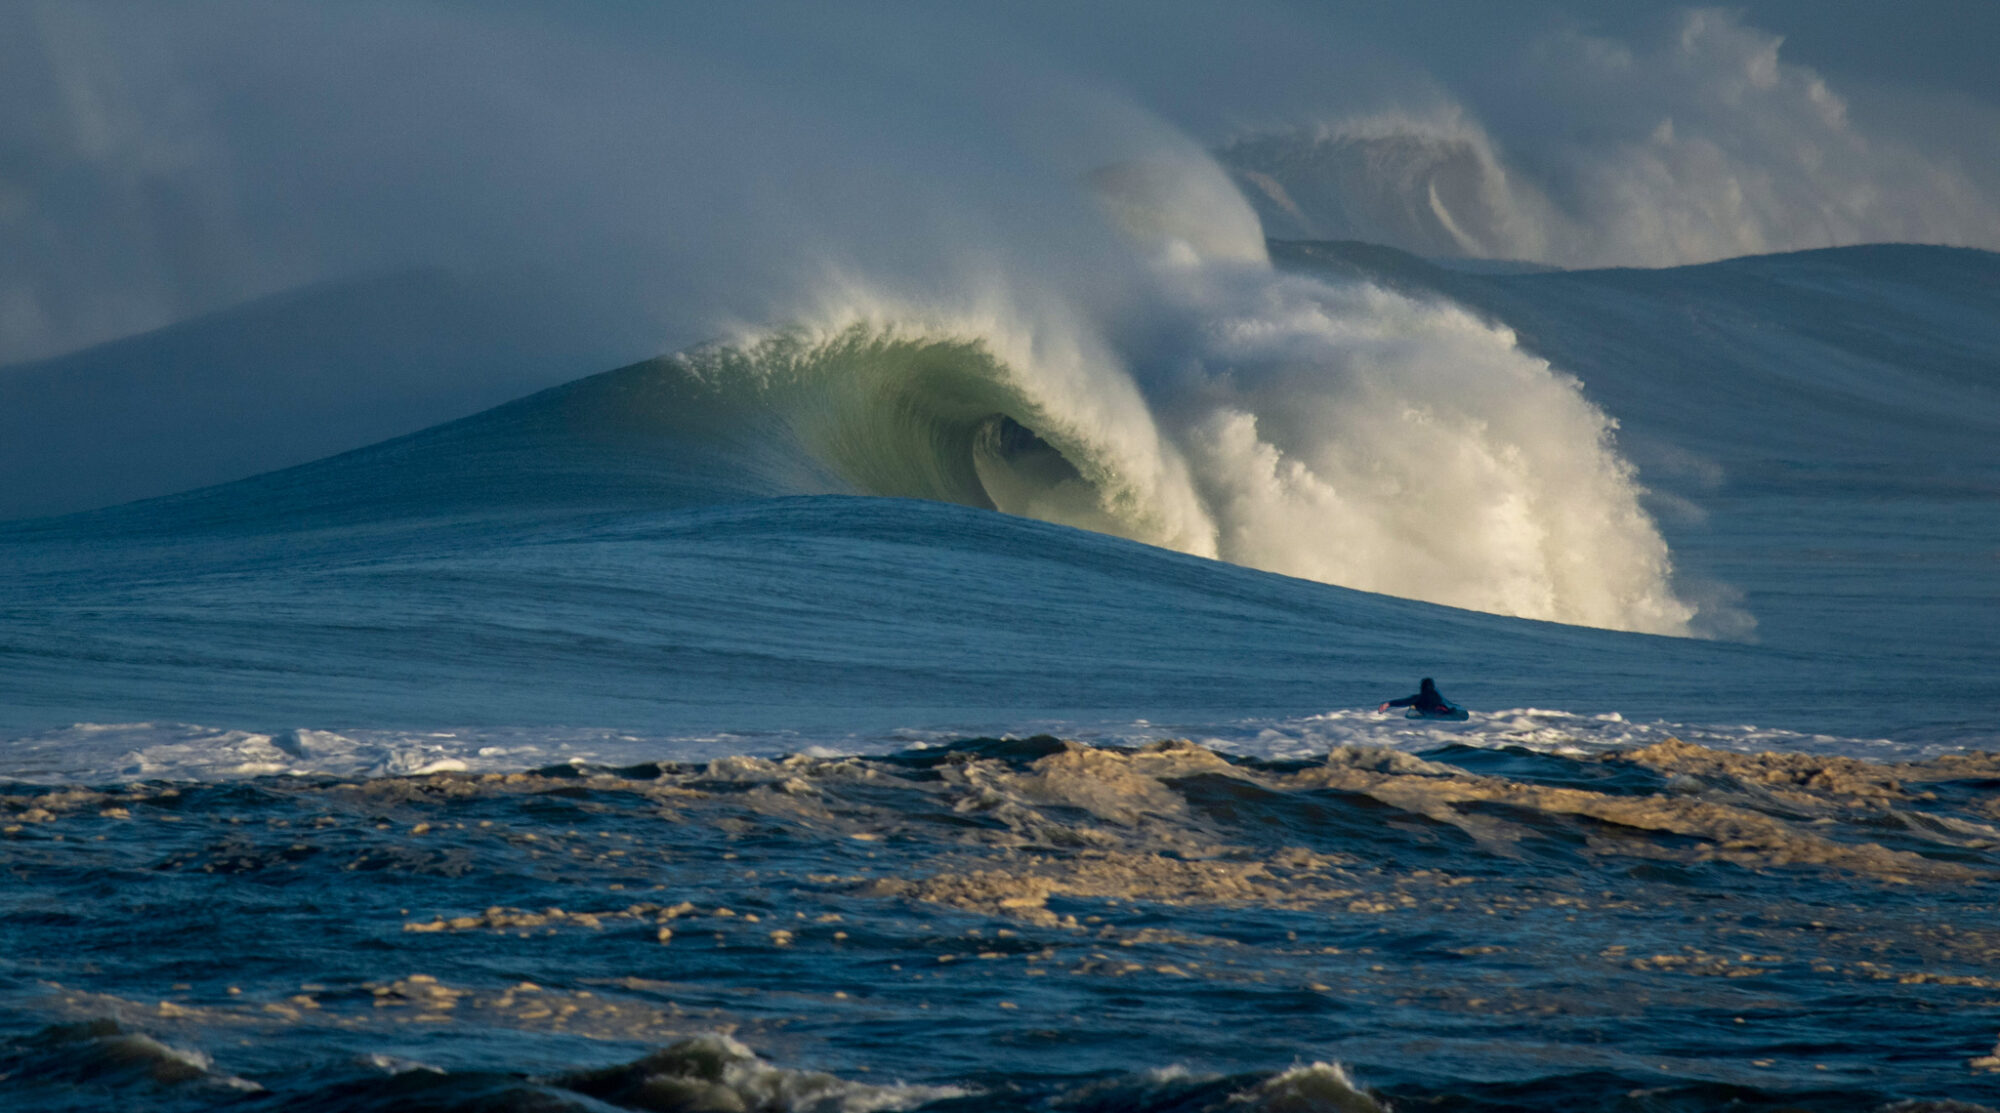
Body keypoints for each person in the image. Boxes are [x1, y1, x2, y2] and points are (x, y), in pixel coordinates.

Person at [1380, 677, 1452, 714]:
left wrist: (1389, 704)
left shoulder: (1419, 697)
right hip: (1442, 710)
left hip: (1430, 713)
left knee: (1413, 705)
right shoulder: (1438, 696)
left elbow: (1404, 702)